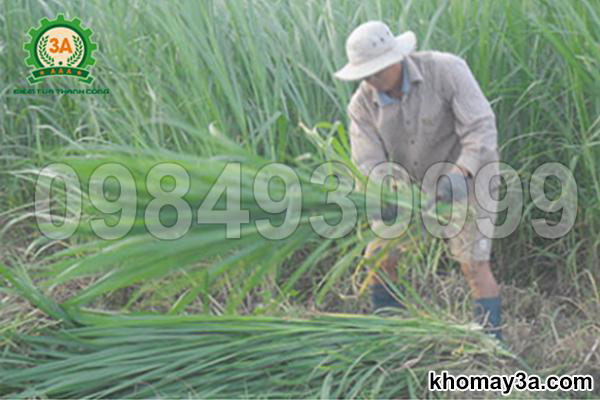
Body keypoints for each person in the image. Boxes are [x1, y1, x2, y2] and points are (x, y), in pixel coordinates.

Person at [334, 21, 503, 340]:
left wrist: (459, 173)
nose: (372, 80)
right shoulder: (361, 105)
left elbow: (481, 128)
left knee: (473, 265)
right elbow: (369, 161)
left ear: (396, 58)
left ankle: (492, 345)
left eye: (377, 71)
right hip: (409, 191)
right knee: (379, 258)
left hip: (468, 178)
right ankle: (390, 337)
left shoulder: (446, 71)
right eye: (365, 74)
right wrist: (384, 194)